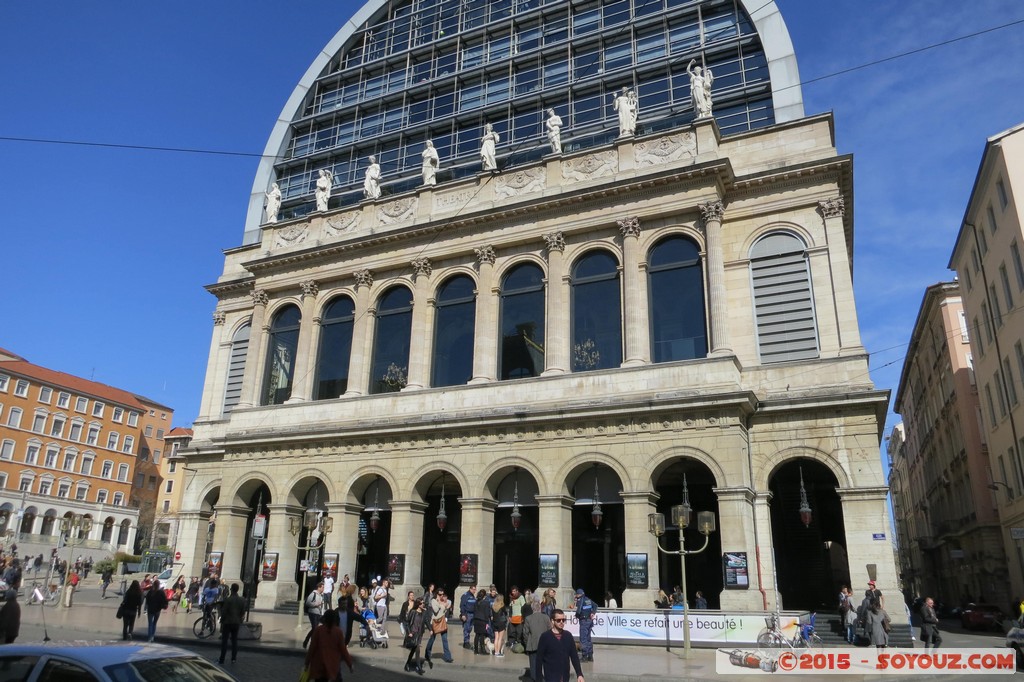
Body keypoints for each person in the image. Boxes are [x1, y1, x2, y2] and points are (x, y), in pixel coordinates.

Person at [305, 608, 354, 682]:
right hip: (333, 664)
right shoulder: (338, 632)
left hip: (319, 664)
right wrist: (350, 664)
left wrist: (307, 663)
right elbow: (343, 650)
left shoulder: (318, 630)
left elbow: (312, 648)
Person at [536, 608, 585, 682]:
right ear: (552, 621)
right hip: (551, 677)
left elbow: (574, 657)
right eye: (558, 620)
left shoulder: (568, 636)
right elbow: (539, 660)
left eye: (563, 620)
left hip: (565, 677)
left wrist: (579, 674)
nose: (561, 622)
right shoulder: (545, 637)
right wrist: (539, 679)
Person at [219, 583, 247, 665]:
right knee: (234, 641)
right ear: (237, 590)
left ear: (231, 589)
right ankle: (233, 658)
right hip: (236, 622)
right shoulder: (242, 600)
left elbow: (224, 612)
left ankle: (222, 659)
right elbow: (243, 612)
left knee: (225, 641)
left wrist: (222, 620)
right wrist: (239, 618)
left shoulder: (228, 600)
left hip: (227, 622)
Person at [424, 588, 454, 664]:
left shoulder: (444, 601)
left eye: (443, 594)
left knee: (445, 640)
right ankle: (427, 654)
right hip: (435, 622)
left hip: (442, 622)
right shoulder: (433, 601)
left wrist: (443, 604)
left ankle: (448, 657)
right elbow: (436, 610)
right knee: (432, 639)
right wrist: (442, 605)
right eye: (440, 594)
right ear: (436, 594)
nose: (441, 596)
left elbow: (449, 604)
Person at [523, 602, 551, 682]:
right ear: (540, 608)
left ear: (532, 609)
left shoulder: (528, 618)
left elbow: (525, 633)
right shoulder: (546, 617)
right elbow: (550, 631)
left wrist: (527, 643)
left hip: (532, 644)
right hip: (545, 644)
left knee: (534, 665)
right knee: (545, 663)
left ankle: (535, 679)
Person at [404, 598, 429, 674]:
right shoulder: (413, 612)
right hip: (413, 633)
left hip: (419, 634)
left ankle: (407, 664)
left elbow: (426, 621)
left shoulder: (424, 612)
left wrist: (430, 629)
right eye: (421, 603)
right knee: (417, 650)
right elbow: (407, 622)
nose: (423, 604)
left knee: (413, 651)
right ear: (418, 604)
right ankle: (419, 667)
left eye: (423, 603)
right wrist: (409, 632)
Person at [574, 588, 597, 662]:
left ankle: (584, 656)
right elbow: (595, 606)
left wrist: (577, 616)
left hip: (583, 620)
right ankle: (590, 656)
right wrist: (593, 613)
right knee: (588, 639)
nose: (576, 596)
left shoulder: (581, 600)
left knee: (583, 639)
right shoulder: (588, 599)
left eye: (577, 594)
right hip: (590, 621)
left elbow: (579, 610)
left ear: (579, 594)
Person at [304, 582, 327, 648]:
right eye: (322, 587)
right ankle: (312, 642)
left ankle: (307, 640)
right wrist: (316, 604)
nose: (323, 589)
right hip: (312, 612)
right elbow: (308, 603)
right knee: (315, 628)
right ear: (319, 587)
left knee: (315, 628)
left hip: (318, 613)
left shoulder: (321, 595)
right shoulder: (313, 594)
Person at [472, 588, 490, 655]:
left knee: (477, 635)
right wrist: (487, 622)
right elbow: (486, 613)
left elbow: (474, 610)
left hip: (476, 619)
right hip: (483, 620)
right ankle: (483, 650)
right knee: (482, 635)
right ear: (484, 596)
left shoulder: (476, 602)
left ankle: (476, 650)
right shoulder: (486, 603)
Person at [459, 583, 477, 649]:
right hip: (467, 614)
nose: (474, 591)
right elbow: (462, 605)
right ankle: (466, 642)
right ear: (470, 589)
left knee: (470, 628)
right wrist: (463, 614)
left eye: (475, 589)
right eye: (473, 589)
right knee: (466, 628)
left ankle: (467, 641)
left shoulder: (473, 596)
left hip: (473, 614)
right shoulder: (465, 595)